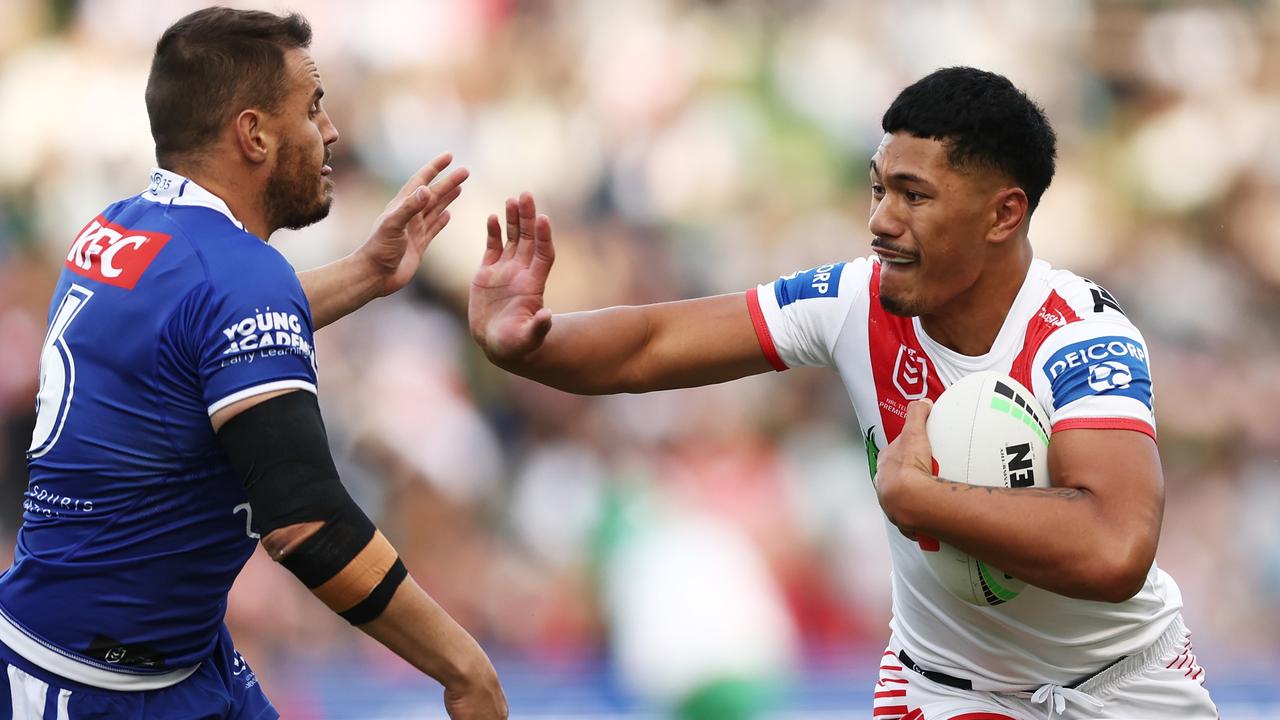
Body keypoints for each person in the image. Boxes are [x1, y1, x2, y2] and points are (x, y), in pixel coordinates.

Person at [468, 67, 1218, 719]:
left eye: (914, 196)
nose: (880, 222)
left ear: (1003, 214)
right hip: (954, 689)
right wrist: (534, 341)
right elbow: (652, 345)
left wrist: (923, 501)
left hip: (1126, 685)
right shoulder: (853, 301)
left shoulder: (1080, 337)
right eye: (877, 188)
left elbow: (1116, 547)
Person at [3, 7, 507, 719]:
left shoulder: (120, 225)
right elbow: (303, 520)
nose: (330, 131)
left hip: (172, 660)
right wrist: (463, 667)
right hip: (90, 687)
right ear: (255, 133)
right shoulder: (239, 277)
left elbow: (201, 330)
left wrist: (367, 271)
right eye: (313, 107)